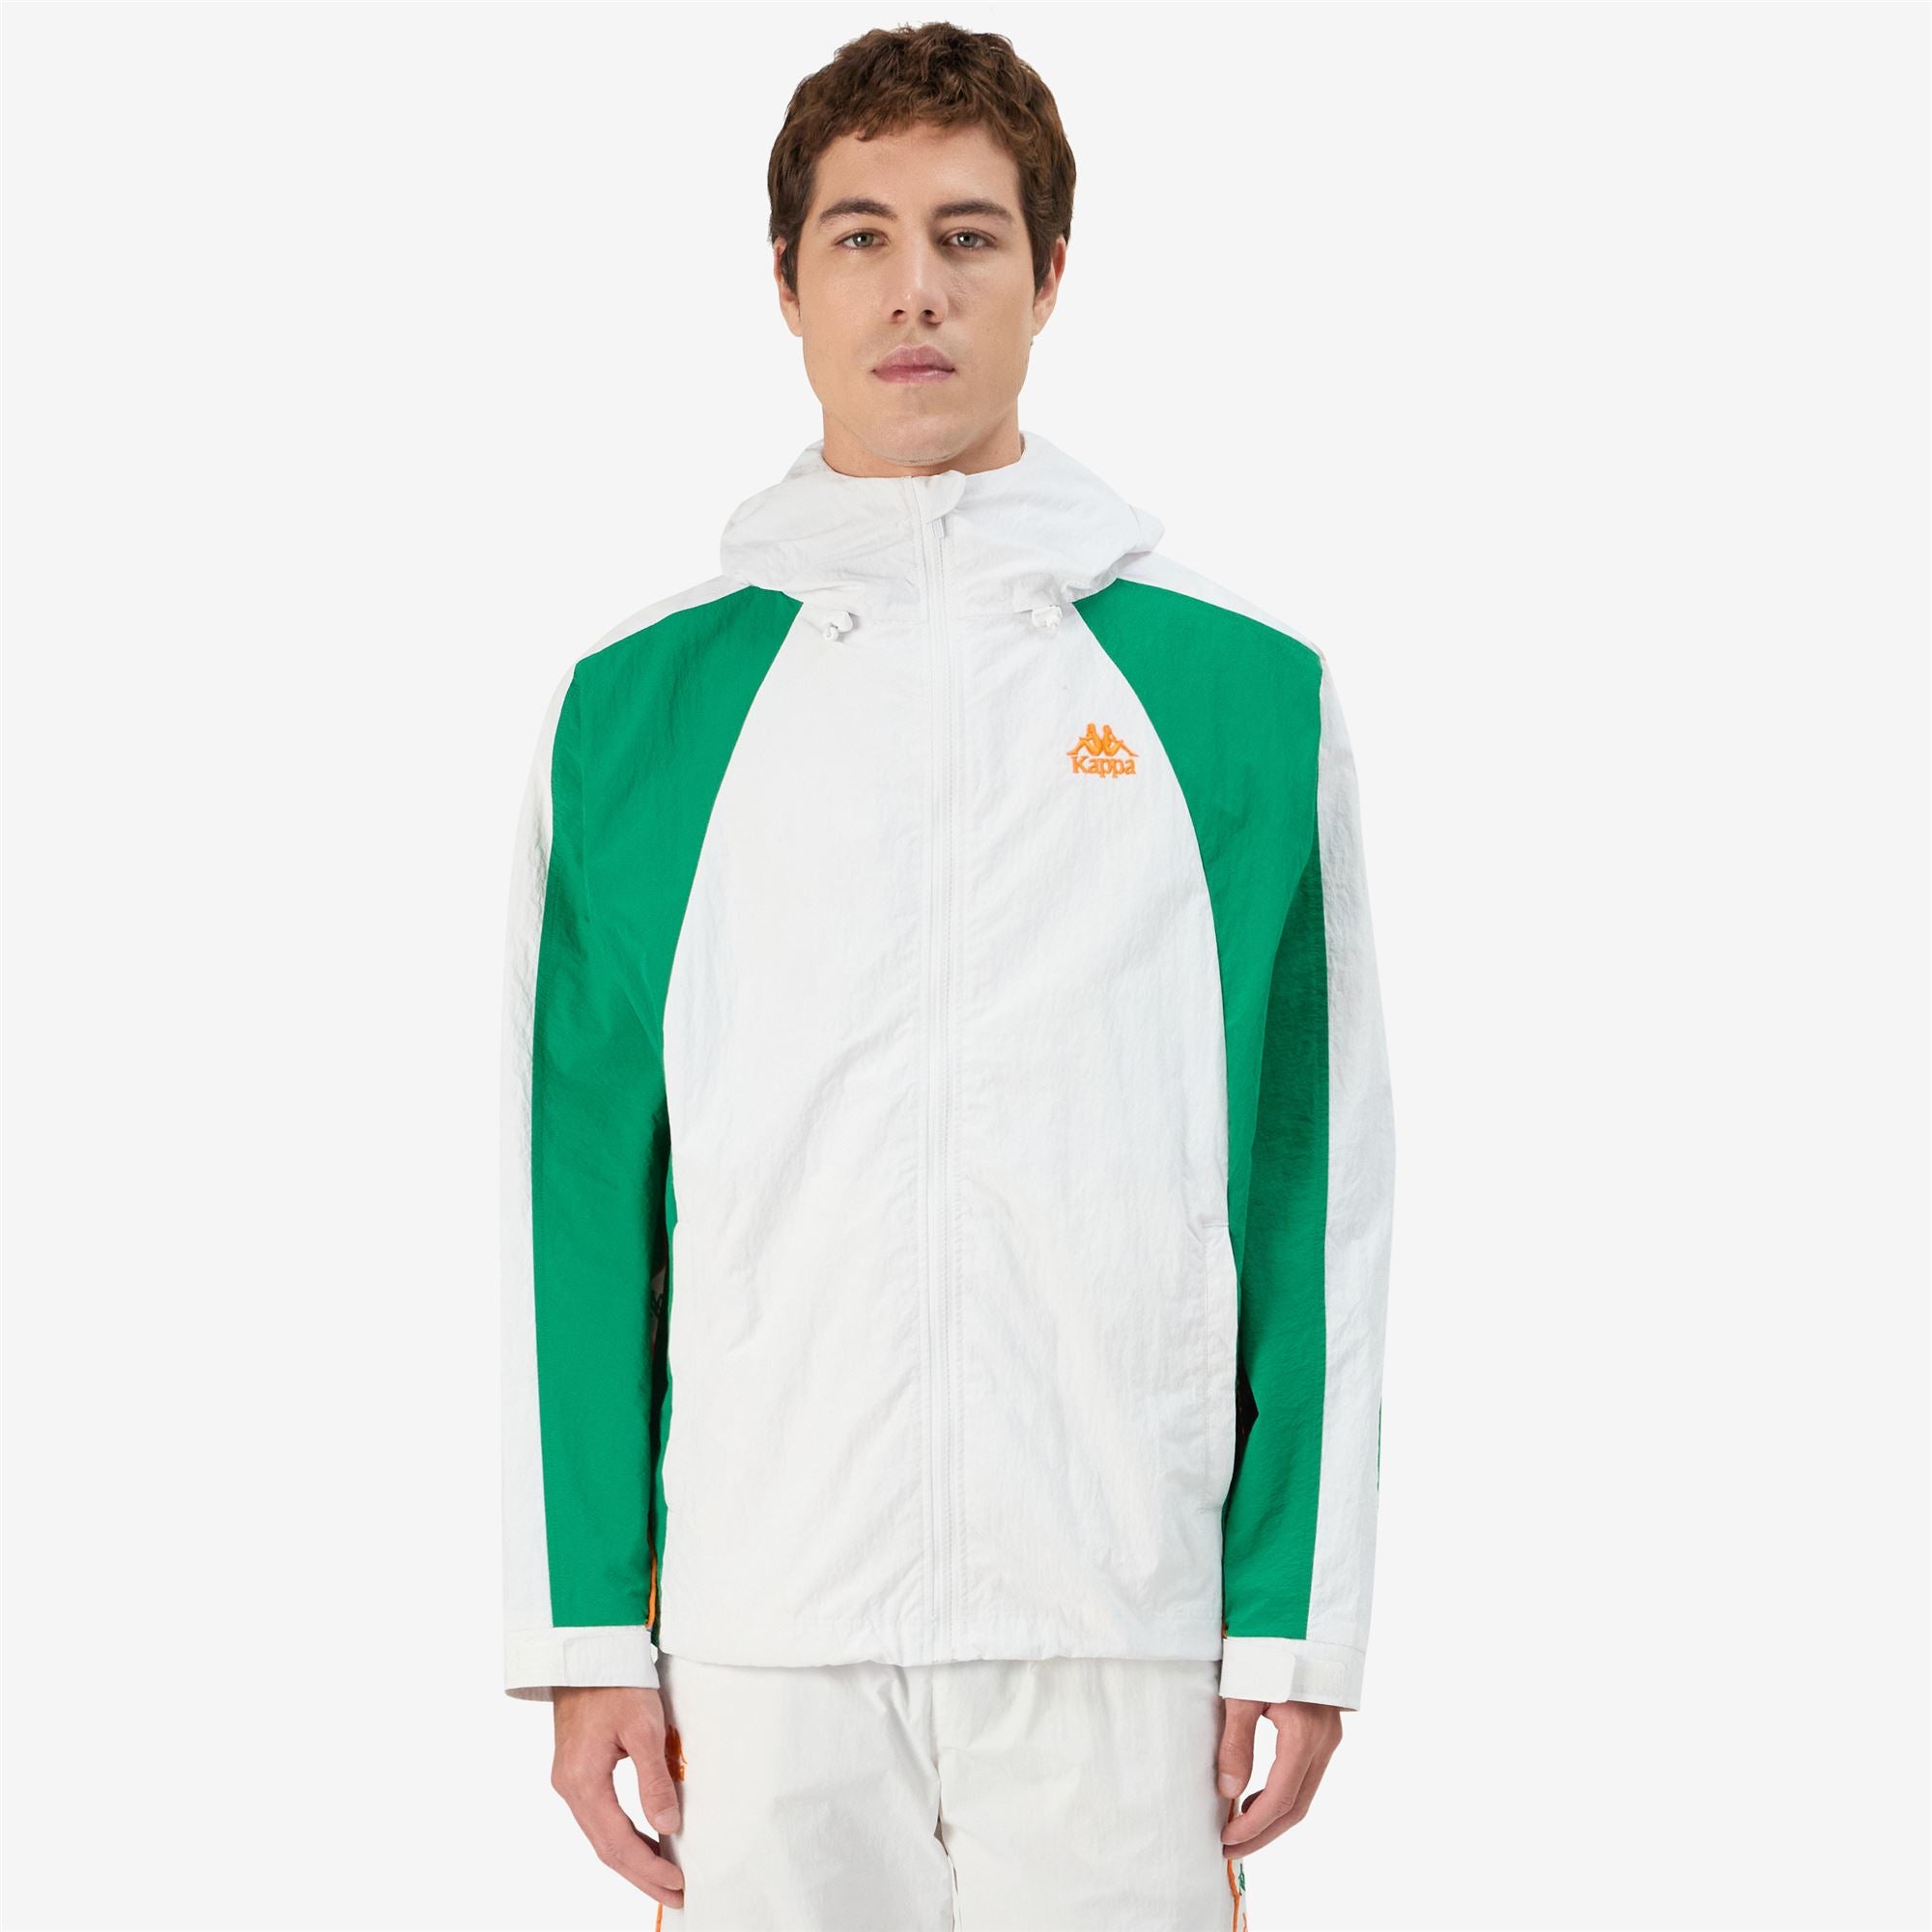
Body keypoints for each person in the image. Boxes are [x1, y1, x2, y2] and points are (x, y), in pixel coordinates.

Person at [498, 21, 1395, 1930]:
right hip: (761, 1616)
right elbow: (574, 1198)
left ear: (1049, 274)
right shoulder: (637, 716)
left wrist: (1292, 1620)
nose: (915, 287)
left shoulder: (1240, 700)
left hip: (1119, 1601)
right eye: (862, 236)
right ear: (786, 280)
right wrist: (583, 1628)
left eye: (969, 236)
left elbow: (1309, 1183)